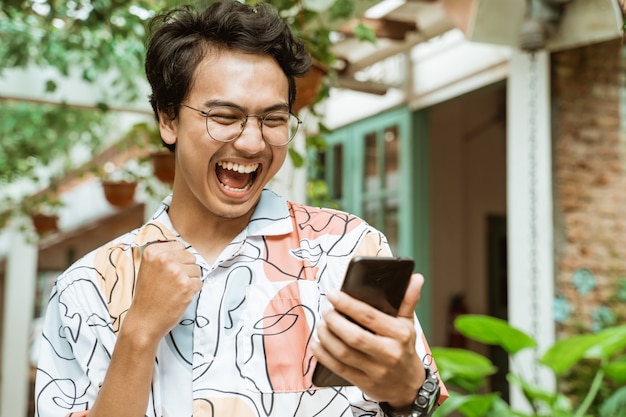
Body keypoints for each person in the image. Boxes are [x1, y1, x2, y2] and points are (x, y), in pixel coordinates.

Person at [34, 1, 447, 416]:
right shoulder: (85, 289)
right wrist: (139, 335)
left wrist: (408, 388)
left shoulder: (348, 250)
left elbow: (413, 402)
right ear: (168, 119)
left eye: (273, 119)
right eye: (225, 116)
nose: (252, 143)